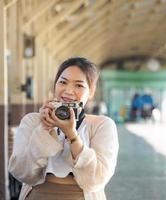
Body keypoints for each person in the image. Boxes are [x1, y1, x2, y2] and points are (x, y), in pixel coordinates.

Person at [8, 57, 119, 200]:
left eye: (79, 85)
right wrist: (44, 128)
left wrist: (71, 134)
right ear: (54, 85)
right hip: (37, 195)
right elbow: (21, 172)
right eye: (63, 82)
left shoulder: (102, 125)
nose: (68, 91)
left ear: (91, 91)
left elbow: (97, 179)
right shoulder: (32, 121)